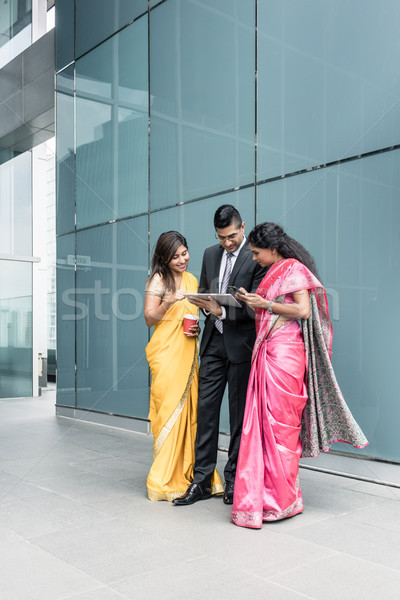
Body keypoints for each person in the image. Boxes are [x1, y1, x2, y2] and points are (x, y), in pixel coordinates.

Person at [230, 222, 369, 529]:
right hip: (269, 350)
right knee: (266, 428)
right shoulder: (273, 271)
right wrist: (253, 302)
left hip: (286, 354)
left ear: (272, 249)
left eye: (256, 253)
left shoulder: (293, 268)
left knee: (281, 428)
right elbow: (274, 309)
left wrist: (264, 302)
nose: (254, 259)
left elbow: (303, 310)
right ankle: (265, 497)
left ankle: (283, 500)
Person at [173, 206, 266, 506]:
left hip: (241, 346)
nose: (227, 243)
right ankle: (201, 481)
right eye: (221, 237)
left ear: (243, 227)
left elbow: (257, 308)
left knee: (238, 418)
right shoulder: (210, 254)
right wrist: (203, 303)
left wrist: (223, 310)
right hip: (213, 344)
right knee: (206, 413)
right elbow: (203, 289)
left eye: (232, 236)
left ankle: (232, 480)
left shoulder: (255, 256)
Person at [144, 231, 223, 501]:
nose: (182, 260)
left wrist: (196, 329)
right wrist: (168, 302)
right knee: (169, 411)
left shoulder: (191, 280)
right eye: (175, 256)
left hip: (188, 351)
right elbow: (149, 318)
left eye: (184, 253)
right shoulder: (158, 279)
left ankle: (193, 475)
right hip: (166, 355)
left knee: (192, 413)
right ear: (164, 259)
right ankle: (165, 478)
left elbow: (192, 315)